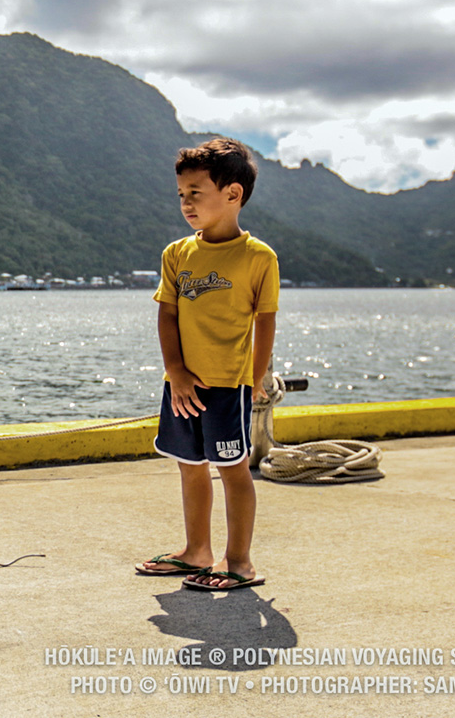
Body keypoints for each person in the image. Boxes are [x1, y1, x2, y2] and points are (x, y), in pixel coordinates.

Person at [136, 137, 278, 591]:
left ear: (232, 194)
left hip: (227, 387)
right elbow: (168, 313)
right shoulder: (177, 254)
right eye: (181, 194)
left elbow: (265, 323)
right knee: (188, 464)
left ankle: (239, 562)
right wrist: (174, 371)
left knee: (233, 469)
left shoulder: (259, 258)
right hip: (182, 385)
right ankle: (196, 551)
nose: (185, 203)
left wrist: (255, 381)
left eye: (195, 192)